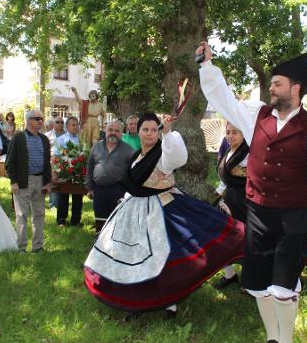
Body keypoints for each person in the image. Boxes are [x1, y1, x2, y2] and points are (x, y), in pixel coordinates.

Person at [198, 42, 307, 343]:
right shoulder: (255, 116)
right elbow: (222, 97)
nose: (271, 89)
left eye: (277, 84)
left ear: (296, 88)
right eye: (272, 84)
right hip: (259, 215)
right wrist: (207, 67)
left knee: (282, 288)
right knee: (259, 287)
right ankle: (272, 339)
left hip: (293, 218)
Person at [84, 113, 244, 315]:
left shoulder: (163, 153)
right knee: (133, 253)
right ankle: (136, 291)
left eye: (153, 129)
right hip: (134, 209)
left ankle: (170, 300)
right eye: (145, 129)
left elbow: (177, 157)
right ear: (137, 132)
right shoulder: (135, 156)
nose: (150, 134)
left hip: (160, 208)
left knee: (165, 256)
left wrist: (168, 133)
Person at [5, 109, 51, 252]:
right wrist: (13, 181)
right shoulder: (18, 138)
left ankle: (37, 246)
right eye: (38, 118)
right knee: (21, 214)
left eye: (42, 118)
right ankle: (21, 247)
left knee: (39, 214)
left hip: (40, 180)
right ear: (29, 120)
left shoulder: (44, 139)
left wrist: (47, 181)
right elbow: (9, 162)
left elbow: (47, 162)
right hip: (24, 181)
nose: (41, 121)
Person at [214, 121, 249, 289]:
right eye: (228, 132)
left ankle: (249, 279)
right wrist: (217, 194)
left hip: (244, 202)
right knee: (221, 238)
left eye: (235, 132)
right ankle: (230, 274)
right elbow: (224, 179)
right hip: (227, 199)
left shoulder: (249, 153)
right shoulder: (229, 151)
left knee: (245, 239)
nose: (230, 136)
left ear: (243, 134)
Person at [85, 119, 134, 232]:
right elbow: (90, 166)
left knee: (115, 220)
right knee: (100, 219)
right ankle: (99, 243)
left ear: (122, 133)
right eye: (110, 130)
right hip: (98, 190)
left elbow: (133, 171)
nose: (113, 132)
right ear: (105, 131)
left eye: (117, 131)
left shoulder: (128, 150)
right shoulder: (96, 147)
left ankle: (113, 245)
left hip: (118, 189)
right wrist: (89, 187)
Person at [52, 116, 83, 227]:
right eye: (73, 125)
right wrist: (55, 173)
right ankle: (61, 220)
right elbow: (55, 157)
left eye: (77, 124)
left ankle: (76, 221)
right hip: (65, 171)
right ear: (67, 126)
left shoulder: (81, 140)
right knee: (63, 197)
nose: (76, 127)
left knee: (78, 197)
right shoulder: (61, 139)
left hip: (78, 173)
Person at [45, 116, 65, 209]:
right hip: (51, 162)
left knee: (62, 183)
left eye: (62, 122)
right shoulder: (47, 135)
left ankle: (61, 204)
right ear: (53, 124)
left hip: (64, 162)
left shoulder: (67, 135)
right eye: (58, 122)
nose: (60, 124)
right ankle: (53, 204)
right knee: (53, 182)